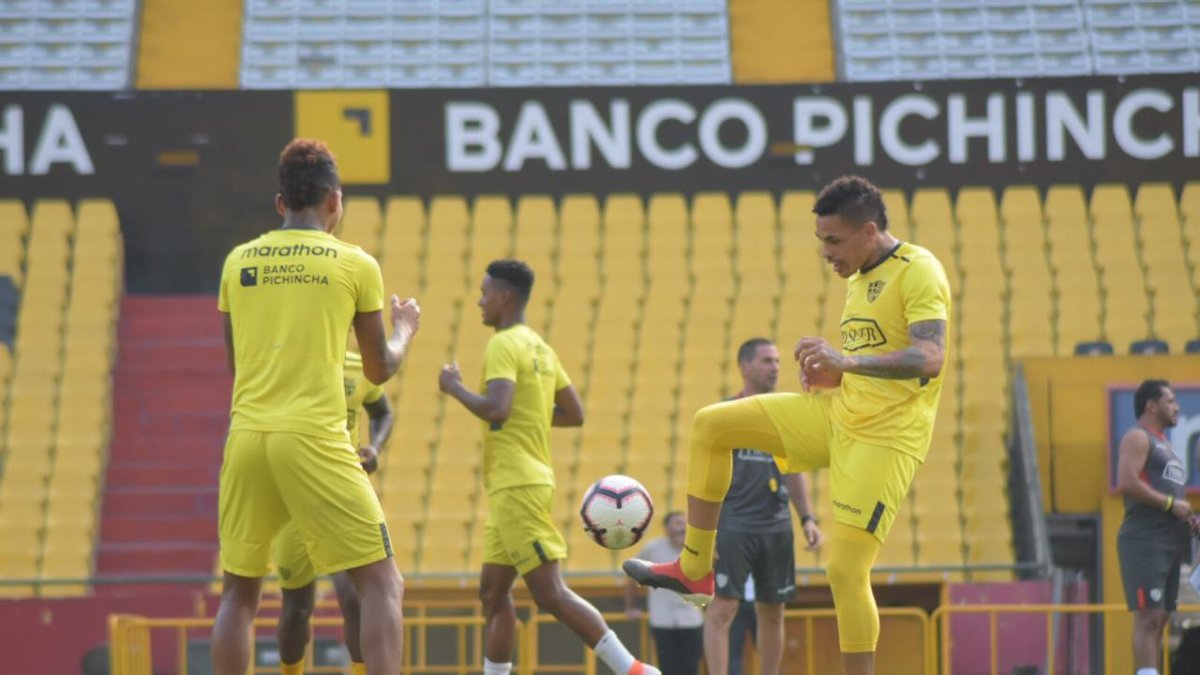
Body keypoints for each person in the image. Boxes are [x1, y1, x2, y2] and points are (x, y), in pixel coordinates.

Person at [624, 176, 950, 675]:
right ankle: (694, 570)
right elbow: (866, 360)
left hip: (884, 439)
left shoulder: (919, 269)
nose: (826, 253)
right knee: (711, 425)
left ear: (868, 231)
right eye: (822, 241)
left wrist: (848, 363)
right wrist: (831, 376)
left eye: (834, 240)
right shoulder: (860, 277)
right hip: (837, 414)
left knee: (844, 569)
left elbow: (930, 358)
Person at [212, 138, 420, 675]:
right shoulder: (354, 264)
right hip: (314, 438)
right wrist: (404, 330)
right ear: (336, 201)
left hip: (247, 437)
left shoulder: (237, 263)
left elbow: (239, 366)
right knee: (381, 583)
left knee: (239, 596)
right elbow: (379, 368)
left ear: (281, 203)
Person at [438, 259, 661, 675]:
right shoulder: (539, 346)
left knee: (549, 593)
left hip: (516, 484)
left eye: (485, 293)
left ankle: (633, 669)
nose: (479, 302)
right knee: (492, 591)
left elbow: (497, 407)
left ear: (504, 298)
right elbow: (574, 413)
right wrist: (530, 413)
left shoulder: (503, 344)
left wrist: (455, 389)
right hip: (516, 484)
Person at [273, 346, 396, 675]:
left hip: (340, 494)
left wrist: (375, 447)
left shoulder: (360, 365)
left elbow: (383, 412)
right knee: (297, 609)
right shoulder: (289, 361)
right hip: (294, 500)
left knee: (356, 598)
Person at [704, 338, 823, 675]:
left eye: (777, 361)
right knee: (722, 609)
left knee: (773, 610)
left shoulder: (784, 415)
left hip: (776, 524)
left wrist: (808, 519)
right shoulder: (725, 414)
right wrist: (707, 532)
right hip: (734, 524)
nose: (775, 368)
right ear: (744, 367)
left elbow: (794, 469)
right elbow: (707, 477)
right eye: (767, 361)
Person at [1115, 379, 1198, 675]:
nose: (1176, 407)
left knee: (1162, 616)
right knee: (1148, 617)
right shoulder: (1138, 437)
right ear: (1152, 405)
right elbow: (1127, 482)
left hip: (1170, 542)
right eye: (1171, 401)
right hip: (1144, 540)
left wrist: (1188, 517)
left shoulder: (1168, 446)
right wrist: (1168, 505)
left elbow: (1172, 498)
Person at [624, 512, 705, 675]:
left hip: (692, 620)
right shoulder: (653, 549)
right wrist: (631, 606)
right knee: (667, 668)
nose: (682, 527)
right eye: (677, 523)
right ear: (666, 528)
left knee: (691, 668)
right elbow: (631, 573)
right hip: (663, 620)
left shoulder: (698, 549)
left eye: (684, 523)